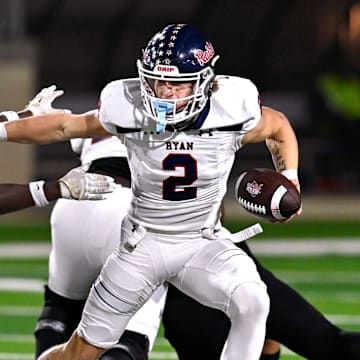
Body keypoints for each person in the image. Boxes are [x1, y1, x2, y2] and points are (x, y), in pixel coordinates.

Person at [0, 23, 303, 360]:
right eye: (159, 82)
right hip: (142, 246)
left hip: (201, 242)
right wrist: (2, 129)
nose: (166, 94)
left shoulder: (232, 105)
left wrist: (290, 177)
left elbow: (278, 127)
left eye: (178, 84)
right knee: (81, 352)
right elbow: (63, 125)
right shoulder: (128, 106)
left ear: (205, 81)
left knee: (254, 300)